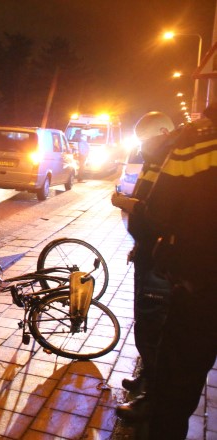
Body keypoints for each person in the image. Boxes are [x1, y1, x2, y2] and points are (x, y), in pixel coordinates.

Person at [118, 104, 217, 438]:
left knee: (176, 373)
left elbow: (159, 209)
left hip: (196, 283)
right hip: (182, 271)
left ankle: (154, 405)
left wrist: (130, 207)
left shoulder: (195, 142)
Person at [111, 112, 175, 406]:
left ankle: (154, 398)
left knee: (155, 323)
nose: (142, 147)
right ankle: (148, 375)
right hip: (147, 253)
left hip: (161, 260)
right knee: (145, 319)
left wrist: (126, 203)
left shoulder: (172, 164)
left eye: (146, 141)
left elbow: (162, 213)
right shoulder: (153, 161)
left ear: (164, 132)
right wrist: (138, 244)